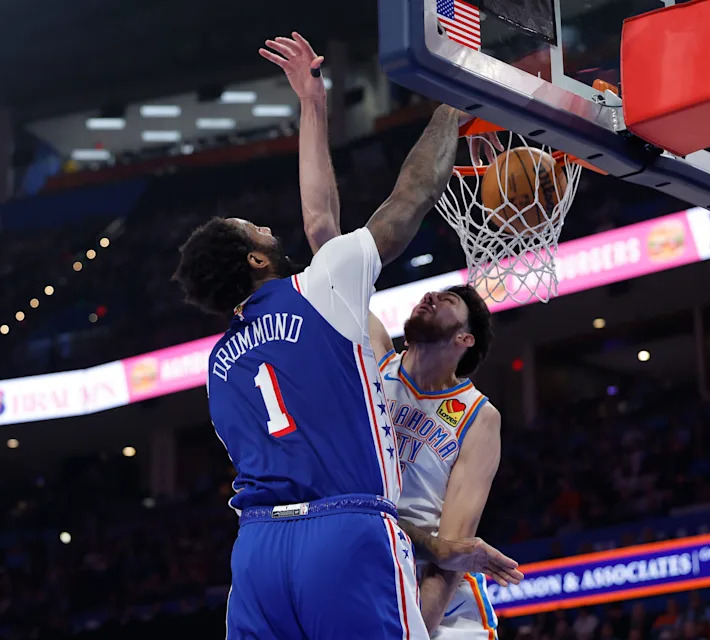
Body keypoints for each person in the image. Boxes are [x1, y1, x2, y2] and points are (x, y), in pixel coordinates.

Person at [174, 32, 520, 640]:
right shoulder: (318, 292)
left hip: (256, 554)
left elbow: (319, 222)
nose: (264, 225)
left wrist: (313, 105)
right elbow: (410, 197)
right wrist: (450, 108)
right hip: (343, 533)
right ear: (256, 261)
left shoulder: (219, 365)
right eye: (253, 228)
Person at [274, 30, 510, 640]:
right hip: (369, 566)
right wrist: (313, 105)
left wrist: (419, 629)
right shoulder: (377, 356)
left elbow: (454, 552)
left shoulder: (477, 417)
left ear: (465, 342)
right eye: (434, 292)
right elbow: (325, 237)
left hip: (441, 611)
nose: (431, 296)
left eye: (450, 302)